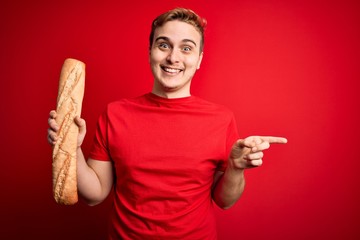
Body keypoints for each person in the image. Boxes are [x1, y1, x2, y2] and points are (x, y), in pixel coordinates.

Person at [48, 7, 287, 239]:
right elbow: (95, 194)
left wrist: (236, 168)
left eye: (186, 48)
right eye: (163, 45)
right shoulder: (115, 113)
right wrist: (72, 147)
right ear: (150, 51)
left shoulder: (221, 119)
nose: (173, 57)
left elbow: (225, 202)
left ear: (199, 59)